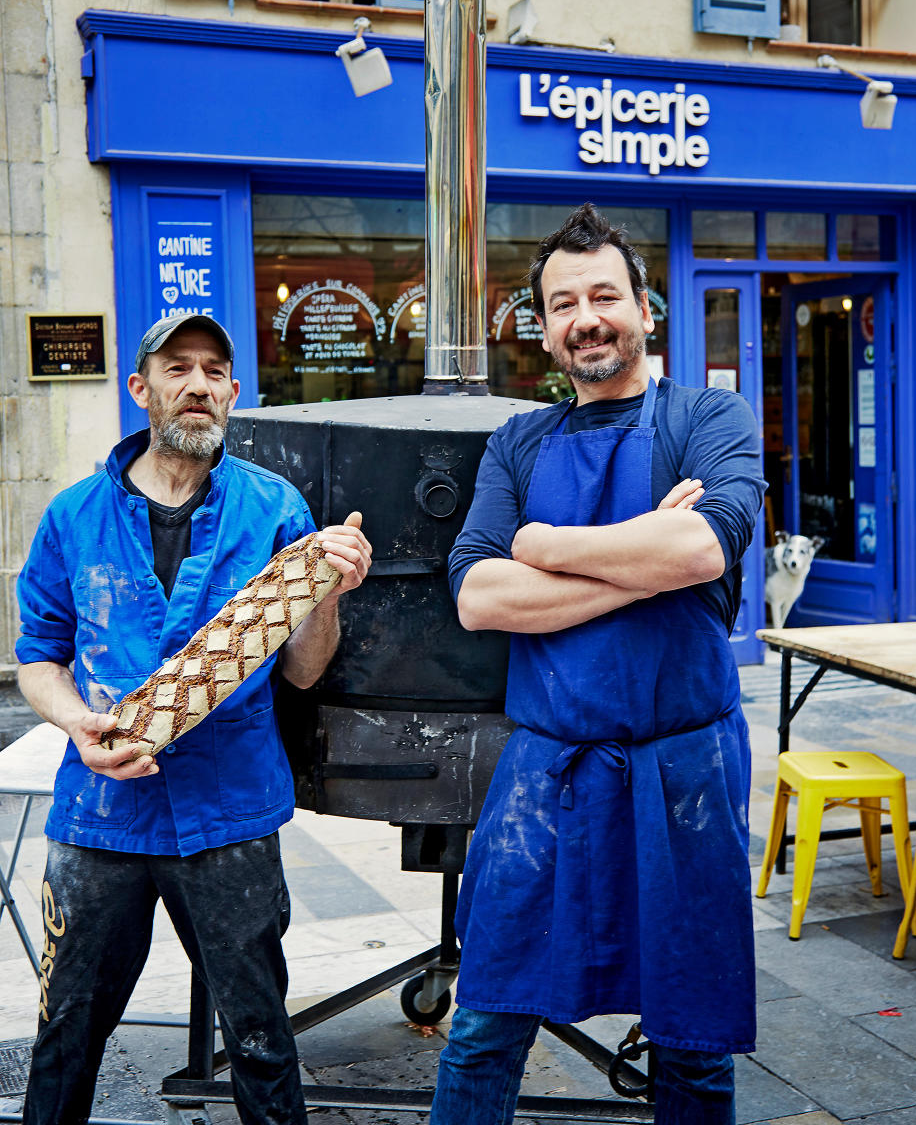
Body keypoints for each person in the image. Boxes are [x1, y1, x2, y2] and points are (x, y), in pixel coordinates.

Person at [435, 204, 766, 1125]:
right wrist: (637, 560)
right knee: (486, 1024)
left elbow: (702, 552)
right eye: (565, 302)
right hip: (550, 772)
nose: (589, 316)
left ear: (646, 309)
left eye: (606, 295)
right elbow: (479, 597)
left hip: (684, 773)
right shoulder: (519, 443)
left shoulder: (710, 416)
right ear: (545, 330)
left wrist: (543, 545)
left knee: (694, 1043)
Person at [16, 313, 371, 1125]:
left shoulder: (274, 506)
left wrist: (326, 595)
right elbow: (38, 658)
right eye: (178, 368)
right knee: (67, 1026)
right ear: (140, 389)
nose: (200, 384)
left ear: (234, 393)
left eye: (216, 370)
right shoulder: (73, 516)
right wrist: (77, 723)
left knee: (259, 1033)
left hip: (230, 811)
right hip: (101, 814)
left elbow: (306, 669)